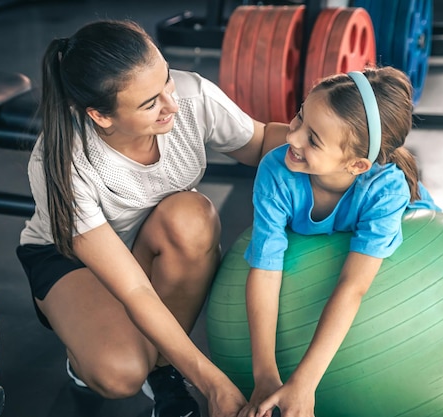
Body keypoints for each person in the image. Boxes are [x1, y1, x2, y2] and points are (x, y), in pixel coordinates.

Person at [15, 19, 288, 417]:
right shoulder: (62, 161)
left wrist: (344, 145)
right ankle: (88, 348)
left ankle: (162, 370)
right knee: (119, 375)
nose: (172, 105)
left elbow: (264, 142)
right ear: (101, 116)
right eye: (149, 104)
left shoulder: (192, 96)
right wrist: (212, 383)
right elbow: (136, 290)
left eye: (166, 81)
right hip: (74, 263)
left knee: (193, 216)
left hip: (155, 238)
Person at [239, 66, 443, 417]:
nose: (292, 138)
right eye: (300, 116)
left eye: (312, 139)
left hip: (404, 213)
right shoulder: (276, 170)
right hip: (348, 212)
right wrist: (266, 375)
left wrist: (305, 383)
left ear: (358, 165)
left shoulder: (387, 190)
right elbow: (266, 268)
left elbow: (352, 287)